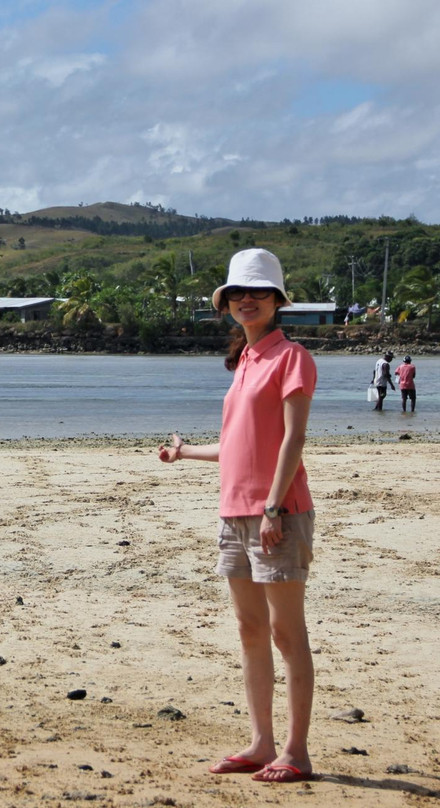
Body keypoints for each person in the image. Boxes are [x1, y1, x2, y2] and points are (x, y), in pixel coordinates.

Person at [158, 248, 317, 784]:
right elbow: (236, 445)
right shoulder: (246, 360)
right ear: (226, 304)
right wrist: (183, 453)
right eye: (238, 293)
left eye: (259, 292)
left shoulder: (292, 357)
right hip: (235, 512)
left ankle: (296, 751)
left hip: (278, 512)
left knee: (285, 633)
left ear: (277, 302)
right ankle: (260, 743)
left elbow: (293, 439)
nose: (247, 300)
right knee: (250, 630)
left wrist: (273, 507)